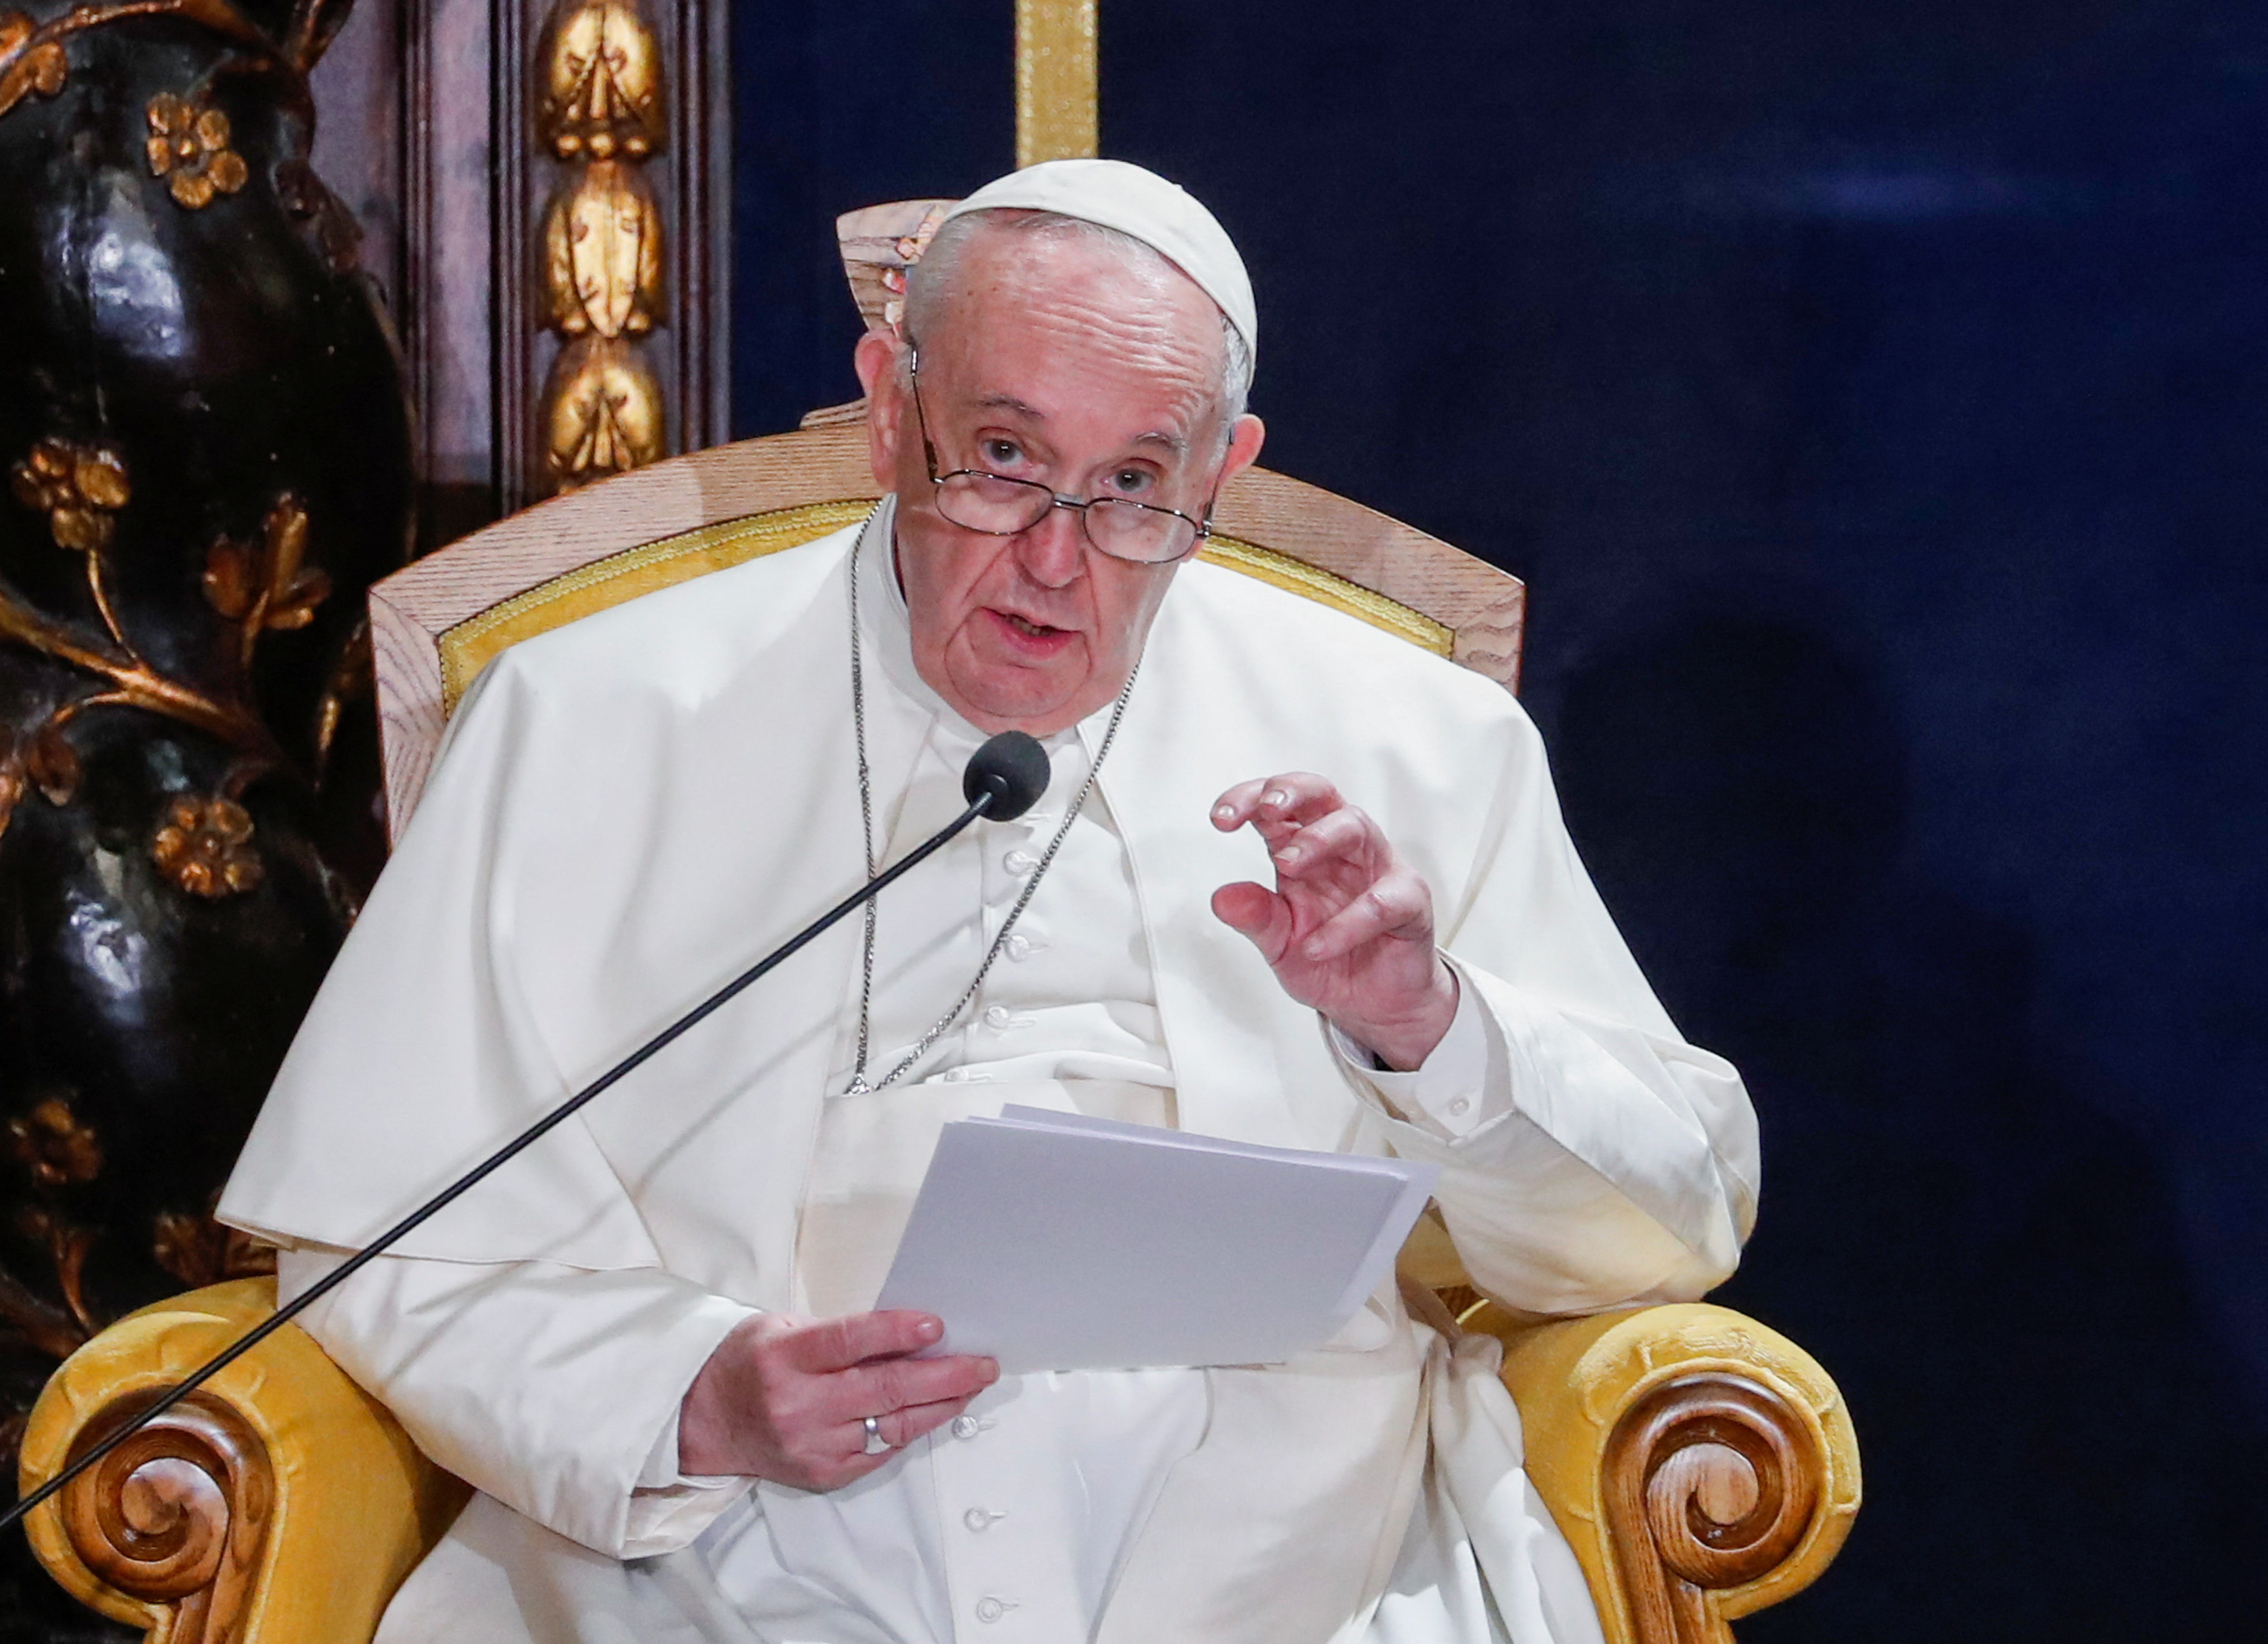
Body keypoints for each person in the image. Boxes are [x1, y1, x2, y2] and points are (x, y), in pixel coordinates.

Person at [220, 159, 1757, 1644]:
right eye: (1003, 458)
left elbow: (1662, 1230)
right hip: (721, 1558)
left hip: (1297, 1556)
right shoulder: (587, 719)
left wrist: (1424, 1026)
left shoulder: (1416, 741)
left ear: (1222, 474)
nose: (1054, 561)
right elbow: (387, 1239)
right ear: (891, 412)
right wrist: (691, 1394)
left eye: (1134, 485)